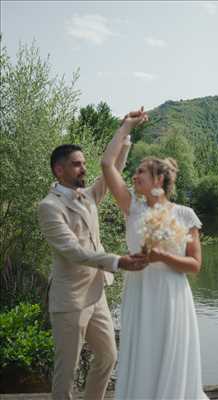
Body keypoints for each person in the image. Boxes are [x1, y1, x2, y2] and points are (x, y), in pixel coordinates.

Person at [101, 107, 208, 399]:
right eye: (135, 172)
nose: (133, 175)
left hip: (172, 294)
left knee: (169, 351)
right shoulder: (132, 208)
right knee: (142, 351)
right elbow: (107, 164)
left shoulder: (185, 215)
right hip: (140, 290)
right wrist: (125, 128)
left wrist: (162, 257)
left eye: (140, 172)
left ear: (158, 180)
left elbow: (195, 265)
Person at [38, 122, 147, 400]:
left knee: (108, 357)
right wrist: (118, 261)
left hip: (96, 294)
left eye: (84, 163)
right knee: (67, 370)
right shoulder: (49, 207)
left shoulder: (87, 196)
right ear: (59, 170)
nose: (84, 169)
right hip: (70, 300)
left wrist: (125, 134)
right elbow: (74, 251)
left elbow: (113, 173)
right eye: (77, 164)